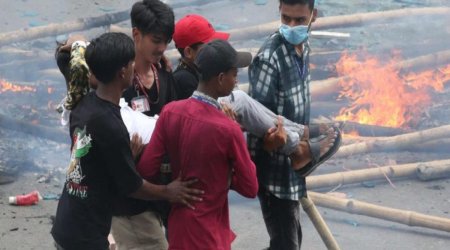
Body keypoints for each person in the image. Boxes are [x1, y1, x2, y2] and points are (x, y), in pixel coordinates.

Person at [51, 32, 203, 250]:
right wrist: (169, 191)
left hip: (68, 221)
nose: (135, 67)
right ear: (123, 72)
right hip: (86, 235)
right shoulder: (112, 126)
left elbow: (76, 41)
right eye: (132, 63)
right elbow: (132, 186)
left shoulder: (82, 104)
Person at [136, 39, 258, 250]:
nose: (236, 80)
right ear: (221, 78)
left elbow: (146, 169)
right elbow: (250, 187)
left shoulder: (170, 112)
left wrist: (167, 190)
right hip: (210, 234)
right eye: (234, 75)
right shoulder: (228, 129)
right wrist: (225, 175)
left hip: (178, 227)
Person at [172, 14, 336, 170]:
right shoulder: (185, 79)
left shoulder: (196, 71)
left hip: (204, 126)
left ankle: (299, 132)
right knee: (241, 100)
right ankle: (296, 149)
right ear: (188, 52)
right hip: (197, 138)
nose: (215, 48)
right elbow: (198, 115)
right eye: (209, 45)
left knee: (241, 99)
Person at [246, 0, 340, 249]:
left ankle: (305, 153)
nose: (291, 26)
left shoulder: (304, 45)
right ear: (279, 11)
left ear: (313, 16)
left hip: (295, 161)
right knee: (287, 243)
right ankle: (302, 153)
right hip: (274, 169)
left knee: (288, 240)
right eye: (286, 18)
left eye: (299, 20)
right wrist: (279, 147)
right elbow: (257, 120)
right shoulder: (269, 58)